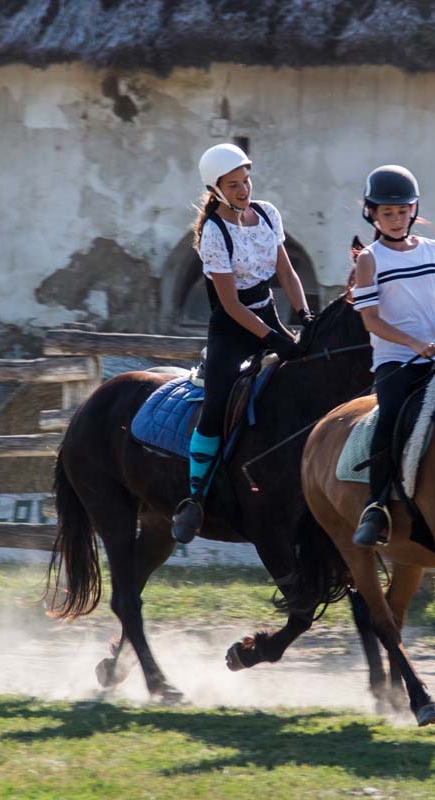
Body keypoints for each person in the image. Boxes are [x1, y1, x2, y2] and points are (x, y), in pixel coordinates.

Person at [170, 143, 314, 544]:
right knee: (216, 404)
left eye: (246, 180)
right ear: (215, 190)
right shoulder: (213, 233)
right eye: (233, 184)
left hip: (268, 313)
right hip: (232, 329)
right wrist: (273, 340)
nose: (244, 189)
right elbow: (231, 305)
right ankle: (195, 497)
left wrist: (303, 316)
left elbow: (286, 271)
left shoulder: (267, 213)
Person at [350, 165, 435, 547]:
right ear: (372, 213)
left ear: (414, 211)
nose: (397, 220)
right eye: (387, 213)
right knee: (391, 418)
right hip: (395, 360)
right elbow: (371, 321)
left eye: (402, 212)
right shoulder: (369, 259)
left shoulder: (433, 250)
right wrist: (414, 344)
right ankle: (376, 505)